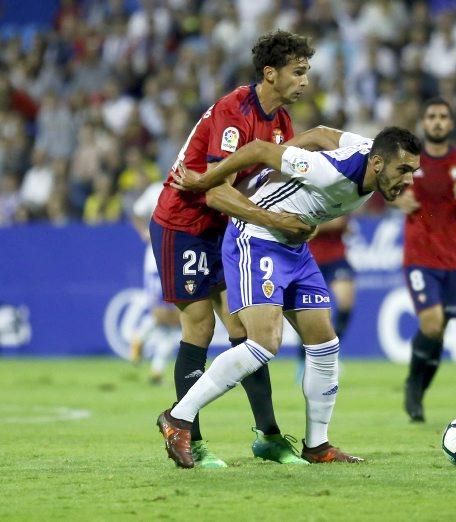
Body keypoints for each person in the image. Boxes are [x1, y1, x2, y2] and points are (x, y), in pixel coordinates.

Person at [156, 125, 422, 468]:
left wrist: (283, 169)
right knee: (264, 343)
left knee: (325, 342)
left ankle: (318, 445)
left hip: (294, 247)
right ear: (377, 164)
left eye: (413, 171)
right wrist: (208, 180)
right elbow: (258, 149)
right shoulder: (326, 172)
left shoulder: (368, 151)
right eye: (403, 170)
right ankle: (178, 419)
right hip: (257, 237)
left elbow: (323, 132)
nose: (409, 180)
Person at [149, 31, 316, 468]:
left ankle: (269, 437)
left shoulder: (281, 123)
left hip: (225, 229)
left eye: (306, 72)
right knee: (200, 329)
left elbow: (269, 184)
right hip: (182, 224)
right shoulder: (234, 113)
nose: (305, 81)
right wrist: (278, 222)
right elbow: (214, 193)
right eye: (297, 72)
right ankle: (188, 438)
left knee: (248, 334)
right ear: (270, 74)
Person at [393, 97, 456, 423]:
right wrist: (397, 200)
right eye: (431, 116)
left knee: (439, 332)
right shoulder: (410, 160)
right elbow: (383, 188)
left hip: (454, 259)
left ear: (450, 124)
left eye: (443, 117)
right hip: (419, 255)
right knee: (431, 323)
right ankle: (411, 384)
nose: (437, 121)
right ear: (424, 122)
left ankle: (419, 392)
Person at [130, 181, 182, 385]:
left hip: (177, 259)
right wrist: (145, 233)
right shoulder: (155, 189)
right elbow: (136, 212)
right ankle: (141, 337)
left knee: (178, 323)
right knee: (166, 315)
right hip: (156, 261)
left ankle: (157, 369)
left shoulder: (190, 185)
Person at [299, 217, 356, 374]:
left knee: (346, 301)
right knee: (307, 311)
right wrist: (330, 224)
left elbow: (344, 223)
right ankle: (303, 361)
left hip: (337, 258)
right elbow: (301, 225)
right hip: (309, 258)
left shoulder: (340, 194)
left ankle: (330, 352)